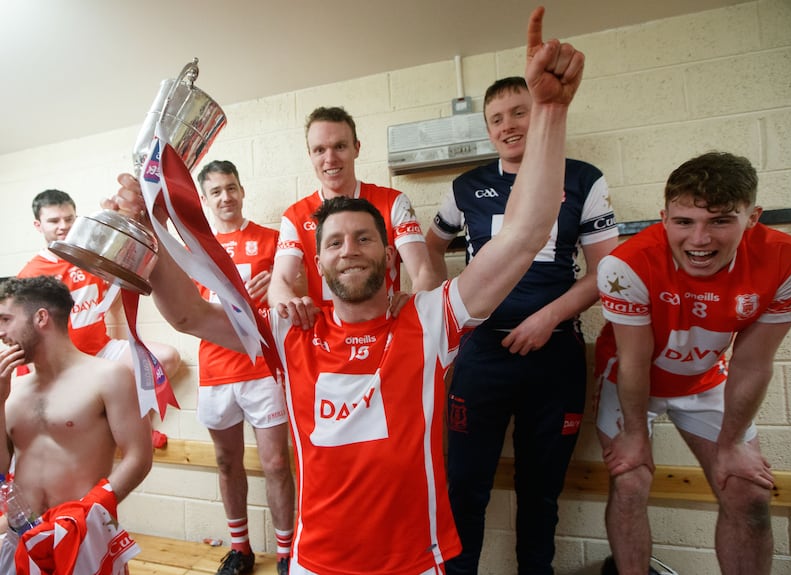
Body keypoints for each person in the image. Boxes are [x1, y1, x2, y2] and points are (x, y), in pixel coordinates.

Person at [112, 6, 583, 573]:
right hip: (315, 562)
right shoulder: (291, 334)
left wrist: (551, 111)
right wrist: (148, 229)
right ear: (317, 258)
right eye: (334, 242)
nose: (349, 248)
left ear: (389, 254)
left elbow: (527, 231)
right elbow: (187, 316)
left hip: (417, 562)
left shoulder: (432, 321)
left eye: (364, 238)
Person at [425, 75, 618, 574]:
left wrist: (547, 317)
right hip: (481, 358)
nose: (508, 126)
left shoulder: (583, 178)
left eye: (519, 112)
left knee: (541, 494)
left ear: (542, 115)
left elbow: (608, 272)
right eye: (497, 118)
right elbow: (429, 247)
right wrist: (437, 310)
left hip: (553, 357)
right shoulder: (465, 186)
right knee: (464, 489)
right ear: (487, 129)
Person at [593, 151, 791, 575]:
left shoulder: (788, 260)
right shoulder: (625, 263)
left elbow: (753, 363)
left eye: (720, 220)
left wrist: (732, 442)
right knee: (630, 481)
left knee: (748, 493)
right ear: (664, 216)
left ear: (753, 217)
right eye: (684, 222)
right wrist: (634, 435)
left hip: (706, 379)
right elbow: (634, 361)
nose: (699, 239)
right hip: (633, 378)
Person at [0, 275, 153, 573]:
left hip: (82, 535)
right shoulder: (13, 391)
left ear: (41, 318)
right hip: (22, 537)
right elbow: (1, 469)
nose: (1, 332)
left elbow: (139, 457)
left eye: (5, 319)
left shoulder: (109, 377)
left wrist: (89, 512)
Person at [196, 160, 295, 575]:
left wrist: (275, 283)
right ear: (203, 199)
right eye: (216, 191)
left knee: (275, 463)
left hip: (262, 368)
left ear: (242, 190)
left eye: (231, 187)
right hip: (215, 372)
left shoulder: (271, 240)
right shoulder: (194, 250)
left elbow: (293, 295)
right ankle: (241, 549)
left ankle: (289, 553)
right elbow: (186, 309)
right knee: (225, 461)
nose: (225, 197)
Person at [267, 105, 438, 327]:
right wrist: (291, 307)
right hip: (327, 337)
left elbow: (424, 272)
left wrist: (417, 307)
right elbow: (279, 281)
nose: (330, 158)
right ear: (310, 155)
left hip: (385, 328)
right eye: (319, 150)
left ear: (356, 148)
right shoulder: (295, 215)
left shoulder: (393, 201)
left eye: (339, 146)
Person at [17, 189, 181, 376]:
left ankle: (116, 403)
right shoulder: (30, 275)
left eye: (69, 219)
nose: (63, 226)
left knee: (166, 358)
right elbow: (24, 335)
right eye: (54, 221)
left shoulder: (92, 257)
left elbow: (117, 287)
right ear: (38, 225)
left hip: (100, 350)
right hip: (58, 362)